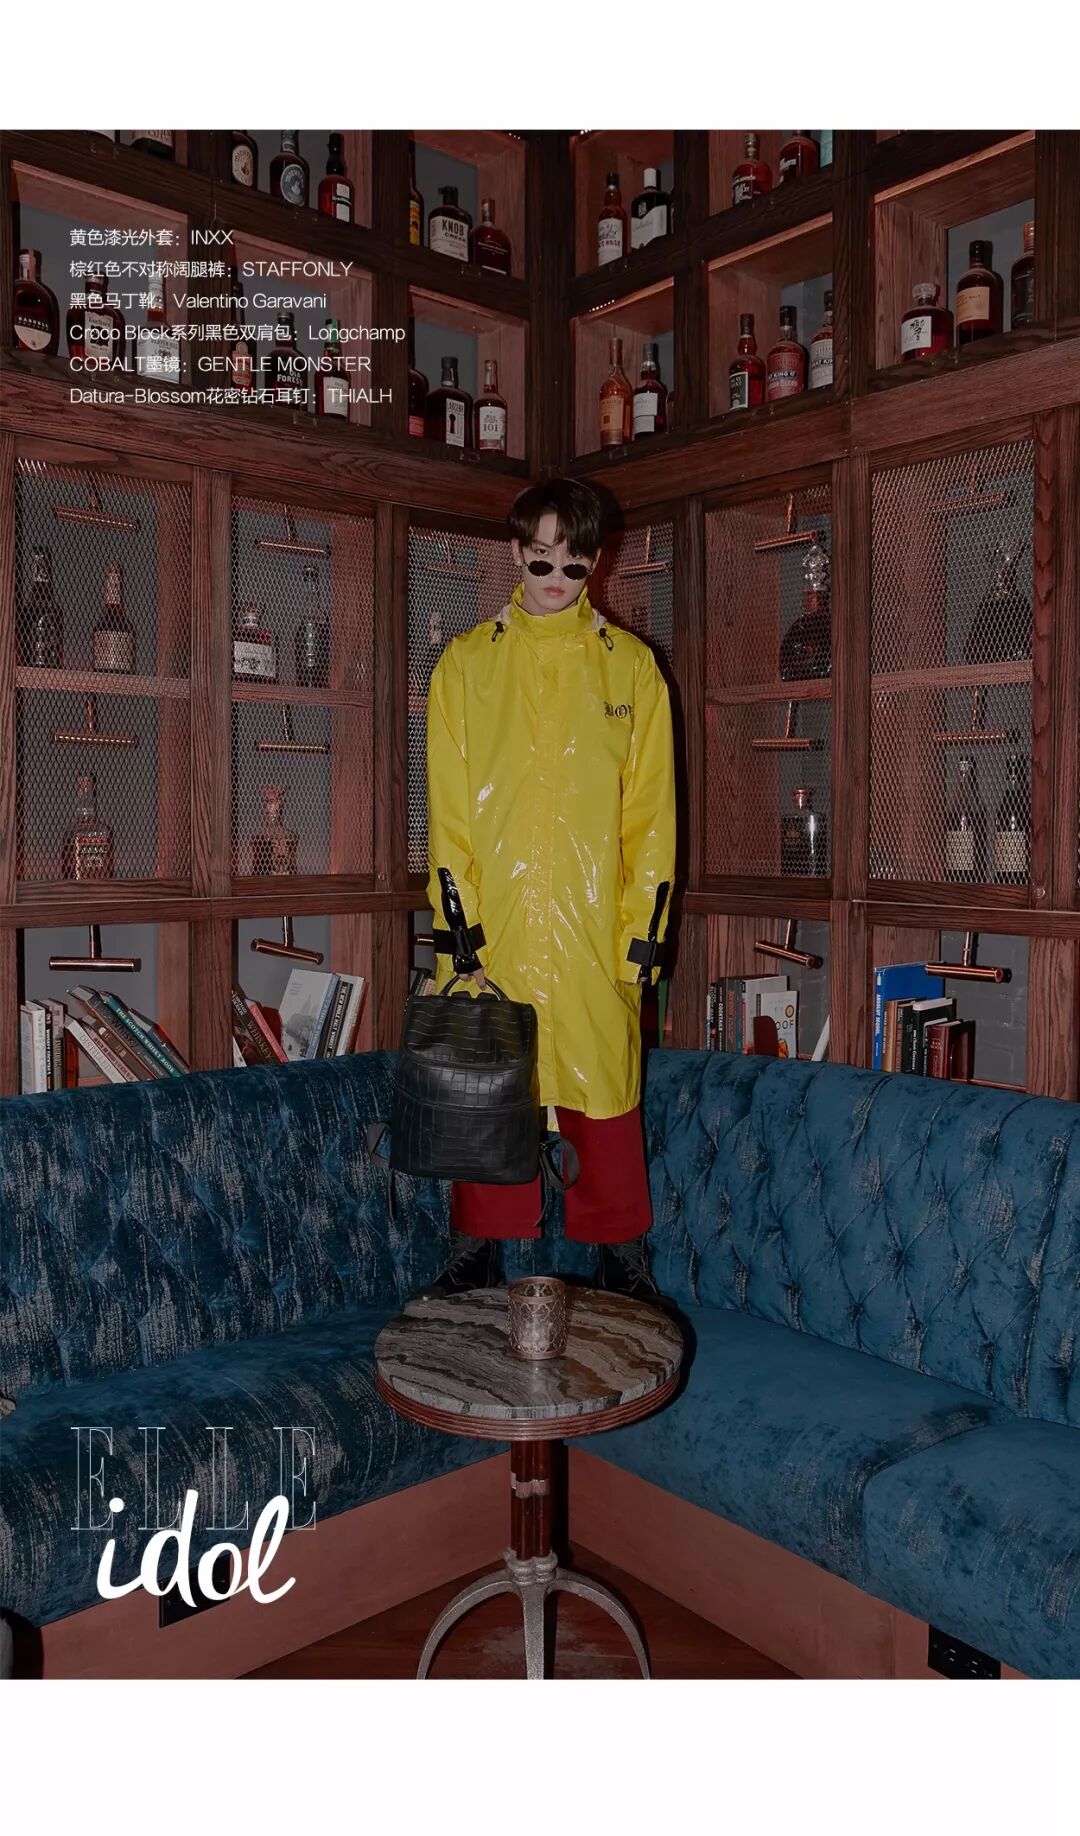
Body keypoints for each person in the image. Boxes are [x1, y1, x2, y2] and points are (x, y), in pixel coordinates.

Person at [419, 477, 676, 1301]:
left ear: (596, 562)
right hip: (497, 928)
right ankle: (476, 1246)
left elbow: (652, 819)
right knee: (491, 1084)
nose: (557, 578)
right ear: (515, 552)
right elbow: (449, 817)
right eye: (542, 559)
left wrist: (640, 939)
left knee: (604, 1086)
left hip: (596, 928)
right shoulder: (466, 667)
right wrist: (461, 936)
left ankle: (621, 1252)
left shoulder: (632, 670)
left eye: (574, 562)